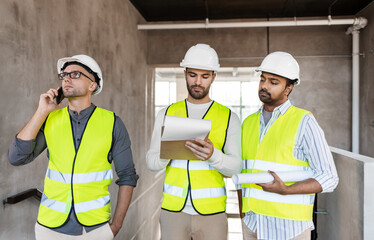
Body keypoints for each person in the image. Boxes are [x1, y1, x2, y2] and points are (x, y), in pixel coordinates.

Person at [8, 54, 138, 240]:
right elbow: (16, 157)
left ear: (92, 85)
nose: (66, 78)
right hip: (49, 228)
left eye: (75, 74)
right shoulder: (49, 119)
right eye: (64, 75)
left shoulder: (112, 123)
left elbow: (128, 176)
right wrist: (41, 112)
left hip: (94, 229)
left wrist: (115, 226)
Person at [237, 51, 339, 240]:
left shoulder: (304, 122)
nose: (264, 86)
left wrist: (287, 190)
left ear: (289, 88)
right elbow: (244, 172)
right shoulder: (248, 123)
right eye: (263, 79)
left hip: (288, 228)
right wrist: (243, 213)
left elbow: (329, 177)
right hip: (253, 223)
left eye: (273, 82)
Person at [146, 43, 242, 240]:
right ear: (185, 73)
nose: (198, 82)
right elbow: (151, 163)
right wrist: (168, 152)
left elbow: (236, 167)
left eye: (205, 76)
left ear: (214, 76)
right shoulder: (166, 113)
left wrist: (213, 155)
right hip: (173, 211)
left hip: (212, 212)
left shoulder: (229, 117)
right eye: (193, 75)